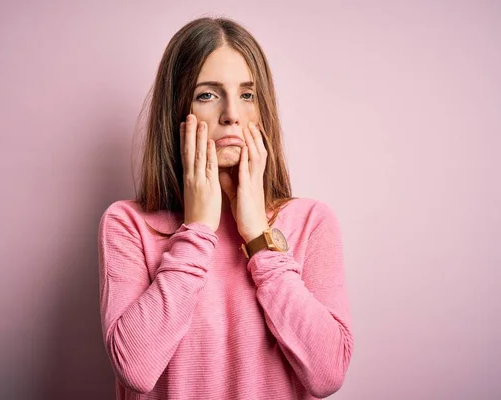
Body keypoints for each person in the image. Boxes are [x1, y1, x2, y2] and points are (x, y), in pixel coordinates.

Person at [98, 16, 353, 400]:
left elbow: (327, 375)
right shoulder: (128, 224)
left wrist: (258, 236)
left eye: (247, 95)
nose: (231, 113)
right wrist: (198, 229)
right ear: (175, 113)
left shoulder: (311, 222)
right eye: (207, 94)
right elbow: (135, 368)